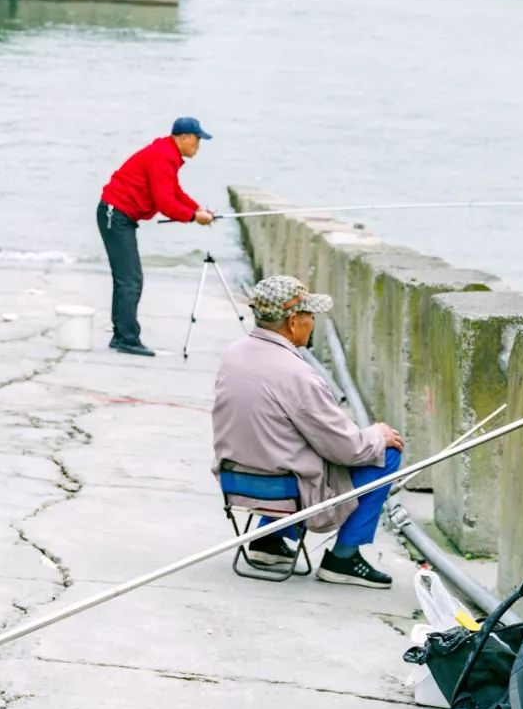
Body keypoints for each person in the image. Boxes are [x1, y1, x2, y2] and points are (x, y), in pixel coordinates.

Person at [212, 274, 404, 589]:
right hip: (283, 490)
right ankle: (343, 558)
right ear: (292, 322)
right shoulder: (299, 374)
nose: (313, 322)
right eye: (310, 316)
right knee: (388, 454)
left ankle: (268, 540)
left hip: (235, 481)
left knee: (285, 445)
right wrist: (378, 434)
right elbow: (347, 448)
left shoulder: (233, 352)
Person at [98, 117, 216, 357]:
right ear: (183, 138)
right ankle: (126, 339)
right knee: (129, 280)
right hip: (115, 214)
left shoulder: (167, 155)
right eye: (197, 140)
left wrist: (197, 210)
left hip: (121, 217)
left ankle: (122, 336)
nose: (198, 146)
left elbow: (174, 192)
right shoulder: (163, 156)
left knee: (129, 279)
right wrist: (194, 217)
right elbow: (165, 202)